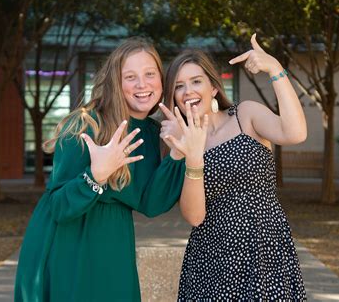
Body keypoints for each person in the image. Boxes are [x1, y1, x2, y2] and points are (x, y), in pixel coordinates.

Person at [14, 37, 203, 301]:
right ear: (116, 81)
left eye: (150, 74)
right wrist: (95, 176)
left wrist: (175, 154)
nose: (142, 84)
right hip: (68, 242)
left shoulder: (152, 133)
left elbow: (151, 204)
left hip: (114, 240)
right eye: (130, 77)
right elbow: (57, 206)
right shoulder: (84, 125)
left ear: (161, 80)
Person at [161, 34, 308, 300]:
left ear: (214, 88)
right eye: (179, 86)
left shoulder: (246, 115)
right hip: (212, 257)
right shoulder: (181, 142)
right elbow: (194, 217)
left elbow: (295, 132)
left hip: (265, 247)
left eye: (196, 81)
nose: (188, 91)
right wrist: (191, 155)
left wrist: (275, 69)